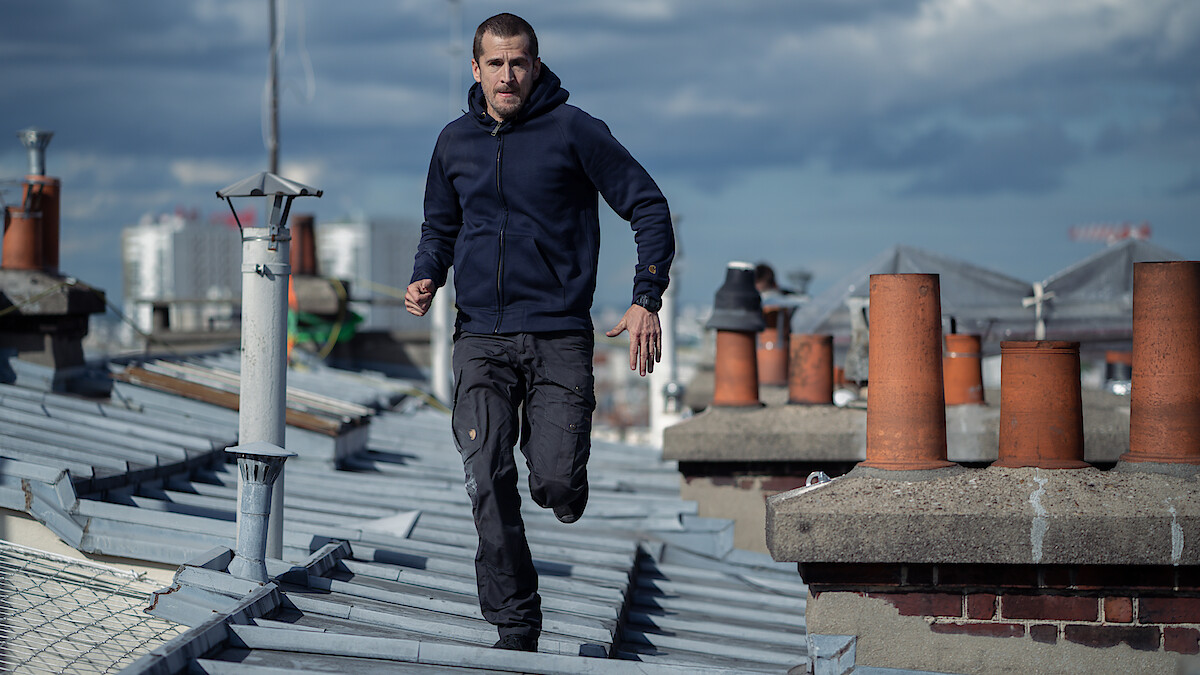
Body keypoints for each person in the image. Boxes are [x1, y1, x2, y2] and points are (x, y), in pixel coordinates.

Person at [404, 12, 673, 653]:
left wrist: (646, 297)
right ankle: (516, 624)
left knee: (551, 482)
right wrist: (425, 275)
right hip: (480, 337)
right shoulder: (452, 142)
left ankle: (565, 484)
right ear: (475, 69)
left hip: (557, 335)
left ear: (536, 64)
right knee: (488, 474)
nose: (507, 75)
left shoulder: (574, 131)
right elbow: (439, 227)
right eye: (494, 64)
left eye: (518, 62)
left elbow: (647, 204)